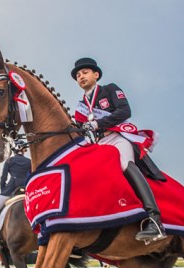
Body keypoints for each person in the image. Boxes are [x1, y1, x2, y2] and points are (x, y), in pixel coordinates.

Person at [71, 57, 166, 242]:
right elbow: (79, 129)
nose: (81, 76)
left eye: (85, 72)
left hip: (118, 138)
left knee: (123, 165)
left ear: (96, 74)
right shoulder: (81, 106)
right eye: (77, 75)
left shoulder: (110, 89)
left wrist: (98, 123)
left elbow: (124, 111)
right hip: (98, 144)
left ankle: (155, 219)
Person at [0, 140, 32, 251]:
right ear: (24, 150)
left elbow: (3, 178)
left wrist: (4, 191)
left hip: (10, 190)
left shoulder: (9, 161)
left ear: (13, 150)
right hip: (28, 191)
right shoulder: (30, 162)